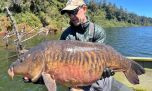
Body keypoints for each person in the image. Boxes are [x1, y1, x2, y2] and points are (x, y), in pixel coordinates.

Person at [60, 0, 133, 91]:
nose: (71, 16)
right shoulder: (65, 36)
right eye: (68, 13)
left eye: (73, 12)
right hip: (77, 82)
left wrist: (105, 70)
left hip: (101, 79)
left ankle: (128, 67)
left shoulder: (97, 31)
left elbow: (101, 58)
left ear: (84, 9)